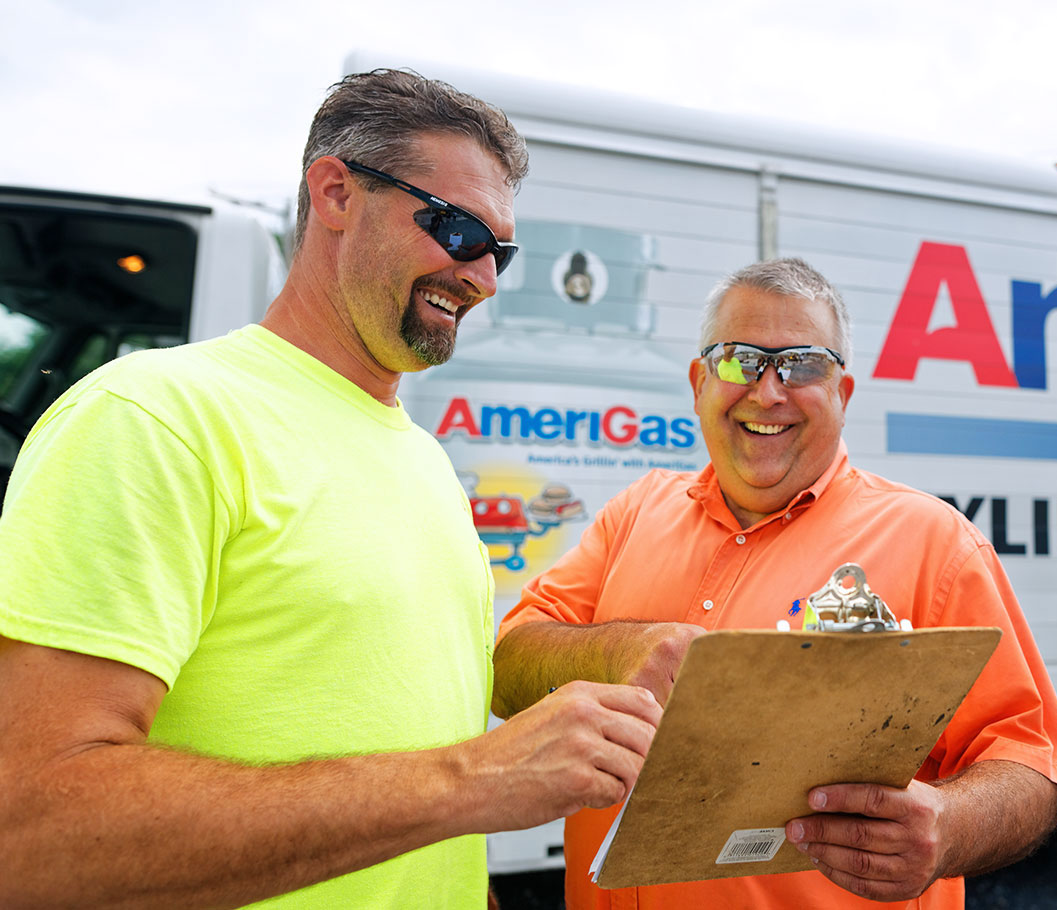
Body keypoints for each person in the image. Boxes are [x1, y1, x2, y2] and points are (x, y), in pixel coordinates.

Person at [0, 69, 661, 909]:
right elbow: (30, 836)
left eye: (500, 250)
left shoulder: (420, 460)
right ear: (337, 193)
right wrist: (475, 778)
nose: (484, 277)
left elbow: (409, 772)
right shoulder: (153, 418)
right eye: (457, 231)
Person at [492, 257, 1057, 909]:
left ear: (844, 392)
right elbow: (510, 663)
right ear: (698, 383)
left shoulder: (934, 542)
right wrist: (618, 651)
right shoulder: (636, 512)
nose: (768, 391)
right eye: (737, 359)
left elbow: (1035, 765)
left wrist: (946, 829)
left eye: (802, 364)